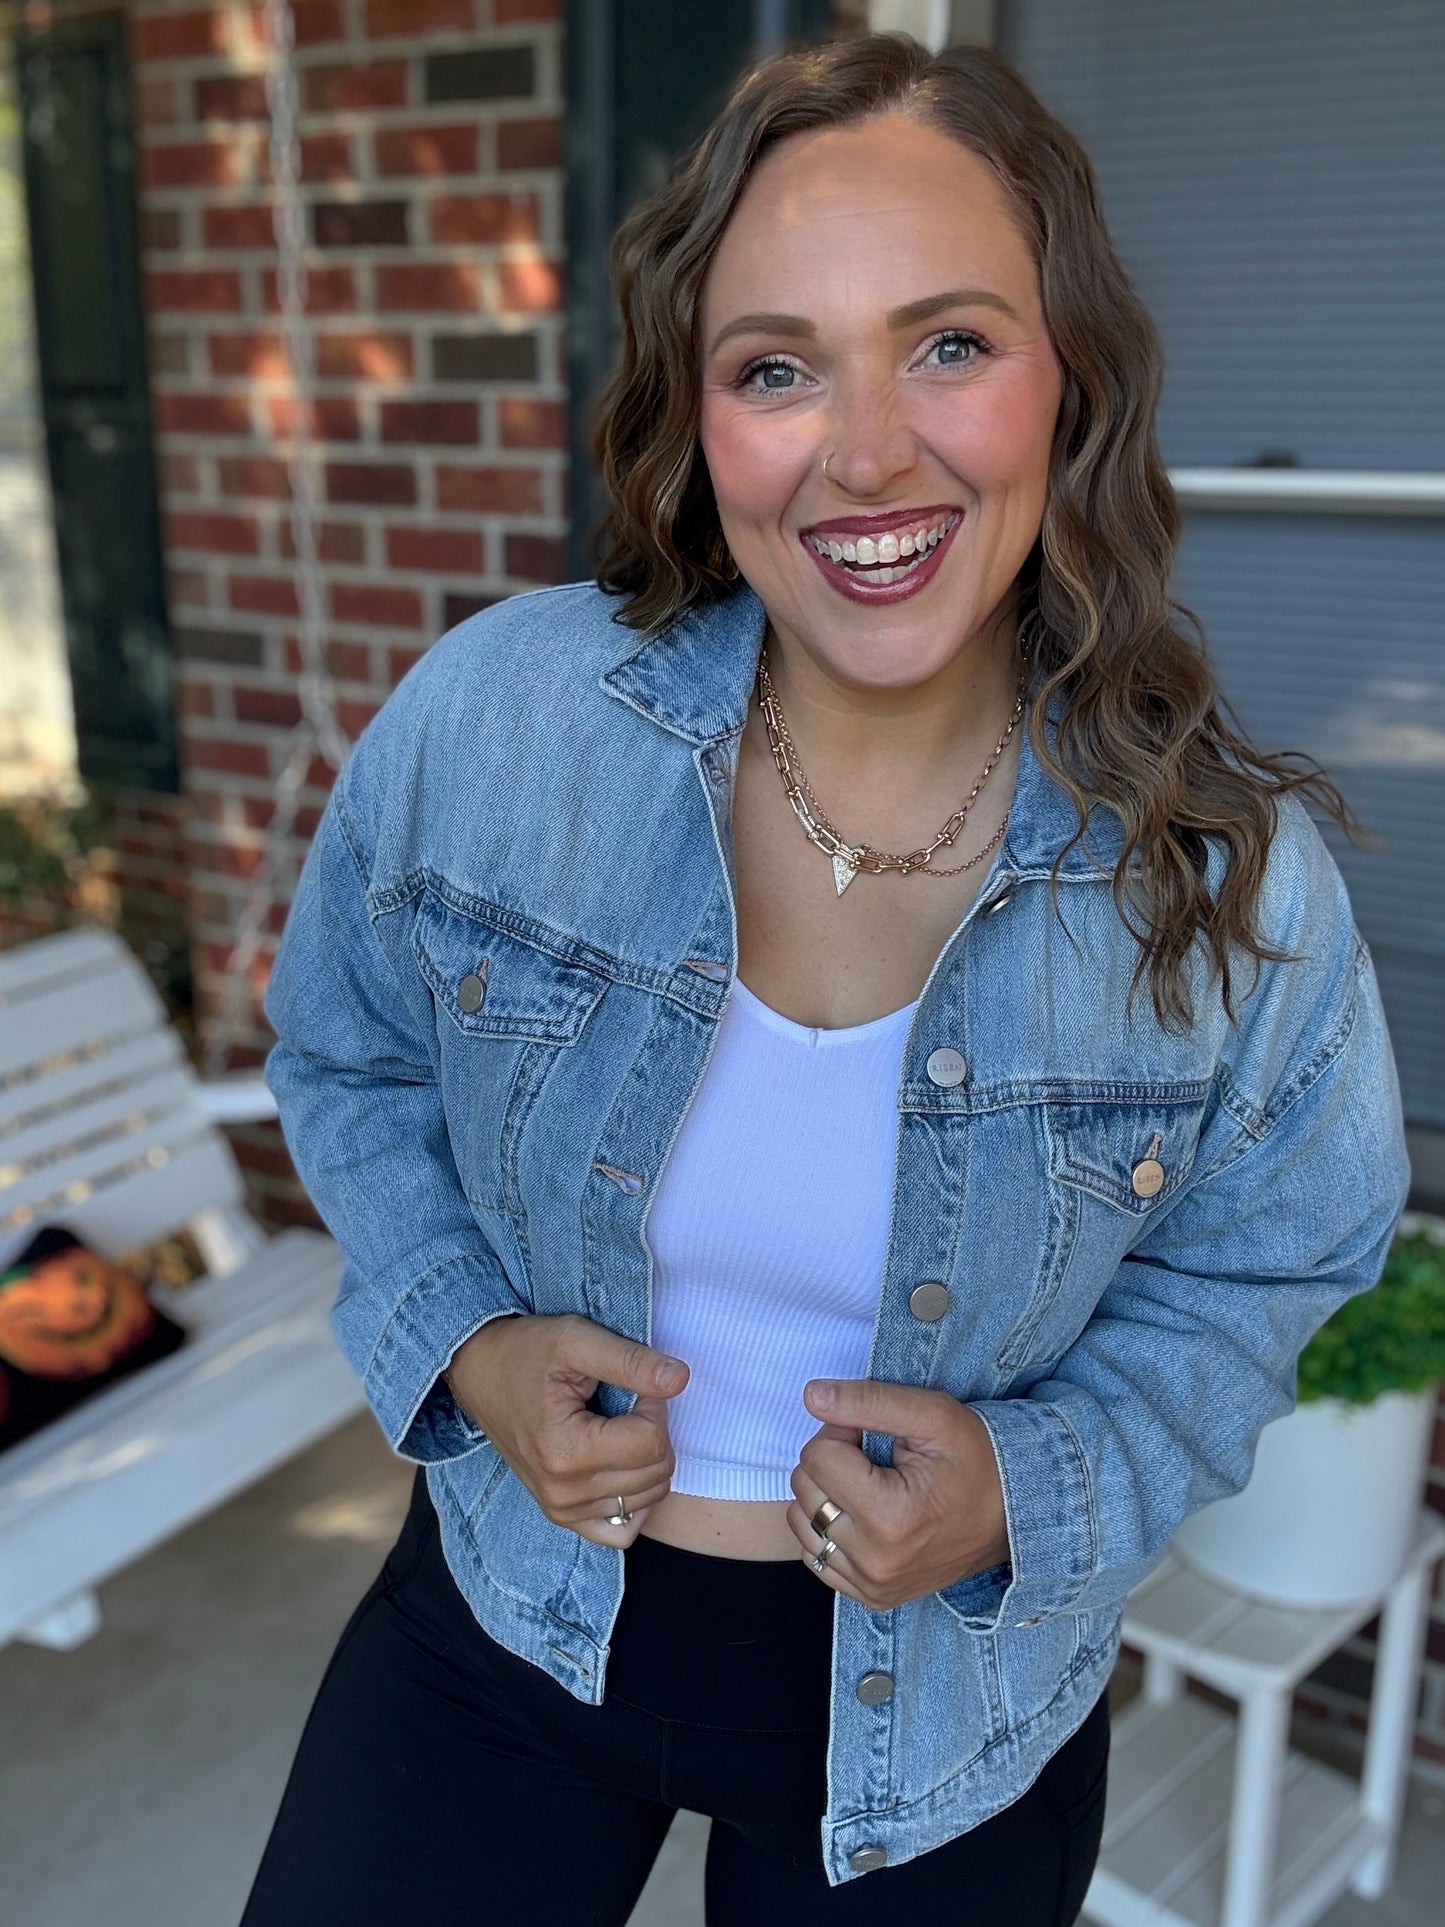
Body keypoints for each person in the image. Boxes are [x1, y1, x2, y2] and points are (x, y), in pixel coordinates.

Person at [240, 32, 1409, 1926]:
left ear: (1070, 378)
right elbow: (345, 1054)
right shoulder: (502, 723)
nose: (866, 452)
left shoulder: (1220, 880)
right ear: (700, 421)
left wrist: (1033, 1481)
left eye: (947, 343)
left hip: (946, 1718)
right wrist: (466, 1342)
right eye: (776, 367)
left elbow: (1279, 1256)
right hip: (508, 1615)